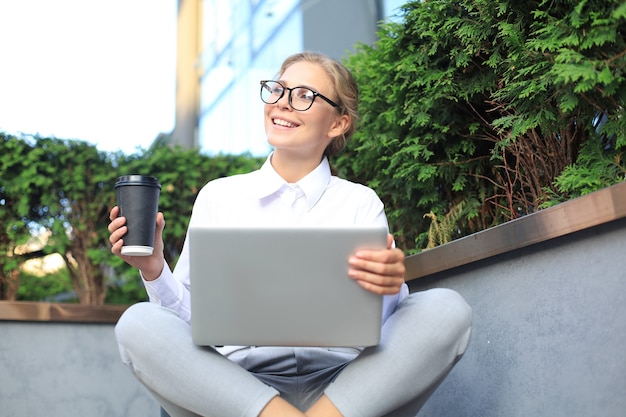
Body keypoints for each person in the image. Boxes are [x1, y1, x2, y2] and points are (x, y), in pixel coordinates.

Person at [109, 51, 472, 417]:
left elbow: (377, 329)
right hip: (237, 387)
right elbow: (191, 322)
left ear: (338, 124)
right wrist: (155, 269)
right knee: (138, 324)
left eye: (304, 95)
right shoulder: (219, 196)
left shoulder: (360, 203)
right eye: (278, 90)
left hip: (344, 388)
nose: (282, 103)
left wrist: (389, 286)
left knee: (445, 310)